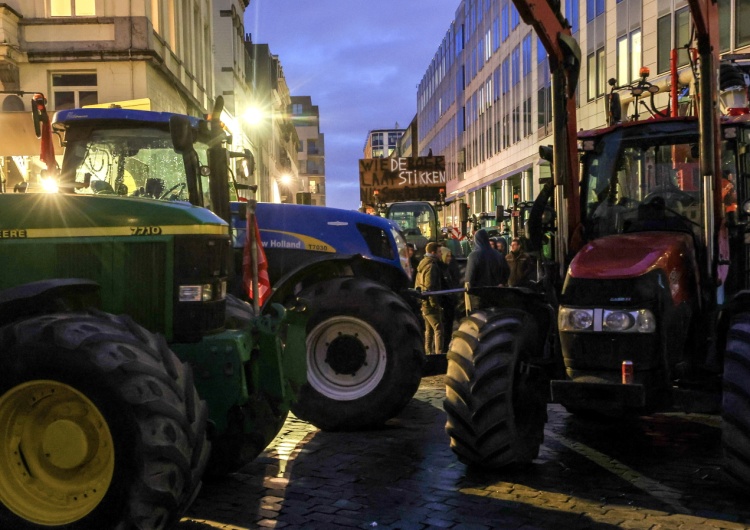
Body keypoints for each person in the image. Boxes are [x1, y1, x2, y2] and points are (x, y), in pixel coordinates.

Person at [465, 229, 509, 309]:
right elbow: (506, 271)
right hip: (496, 293)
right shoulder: (498, 255)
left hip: (479, 295)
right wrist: (502, 282)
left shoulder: (474, 256)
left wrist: (469, 290)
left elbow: (469, 277)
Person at [415, 242, 445, 354]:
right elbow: (430, 286)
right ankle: (439, 353)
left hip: (423, 302)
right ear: (433, 252)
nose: (441, 254)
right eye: (439, 252)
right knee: (439, 329)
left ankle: (428, 353)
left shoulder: (422, 264)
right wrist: (435, 305)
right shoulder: (432, 266)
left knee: (428, 331)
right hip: (430, 303)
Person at [439, 246, 461, 352]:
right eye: (447, 256)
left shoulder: (448, 269)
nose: (449, 258)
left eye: (450, 256)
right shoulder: (440, 269)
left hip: (449, 303)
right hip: (444, 304)